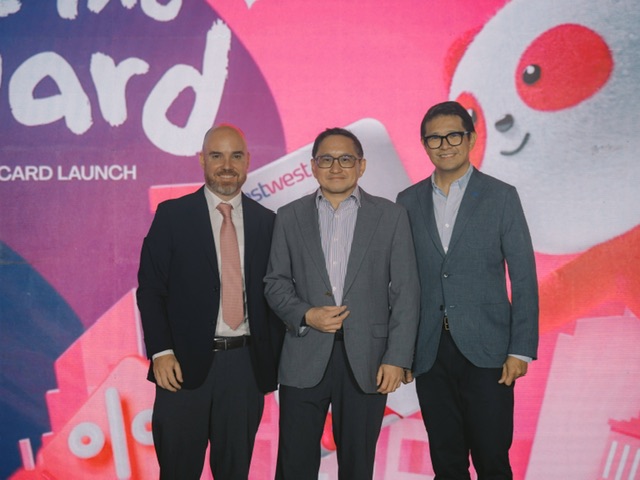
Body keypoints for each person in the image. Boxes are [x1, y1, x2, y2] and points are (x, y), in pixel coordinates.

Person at [264, 127, 420, 480]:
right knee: (294, 465)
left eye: (346, 159)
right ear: (313, 166)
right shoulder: (289, 216)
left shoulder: (391, 216)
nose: (336, 167)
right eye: (327, 159)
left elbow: (406, 291)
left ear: (361, 166)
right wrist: (307, 314)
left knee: (357, 466)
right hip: (304, 356)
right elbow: (275, 283)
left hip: (369, 361)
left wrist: (397, 358)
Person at [396, 100, 539, 480]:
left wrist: (520, 349)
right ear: (424, 145)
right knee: (446, 462)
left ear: (471, 139)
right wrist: (402, 351)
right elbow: (404, 283)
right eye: (435, 138)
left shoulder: (500, 196)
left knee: (493, 461)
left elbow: (524, 277)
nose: (444, 145)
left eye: (454, 136)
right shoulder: (407, 201)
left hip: (489, 351)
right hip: (429, 352)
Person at [136, 124, 284, 479]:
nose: (227, 165)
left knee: (234, 471)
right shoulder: (172, 216)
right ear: (202, 160)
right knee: (178, 470)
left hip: (246, 369)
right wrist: (161, 352)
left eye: (236, 156)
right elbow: (151, 290)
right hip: (181, 367)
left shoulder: (268, 222)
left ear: (247, 161)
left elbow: (277, 295)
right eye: (217, 156)